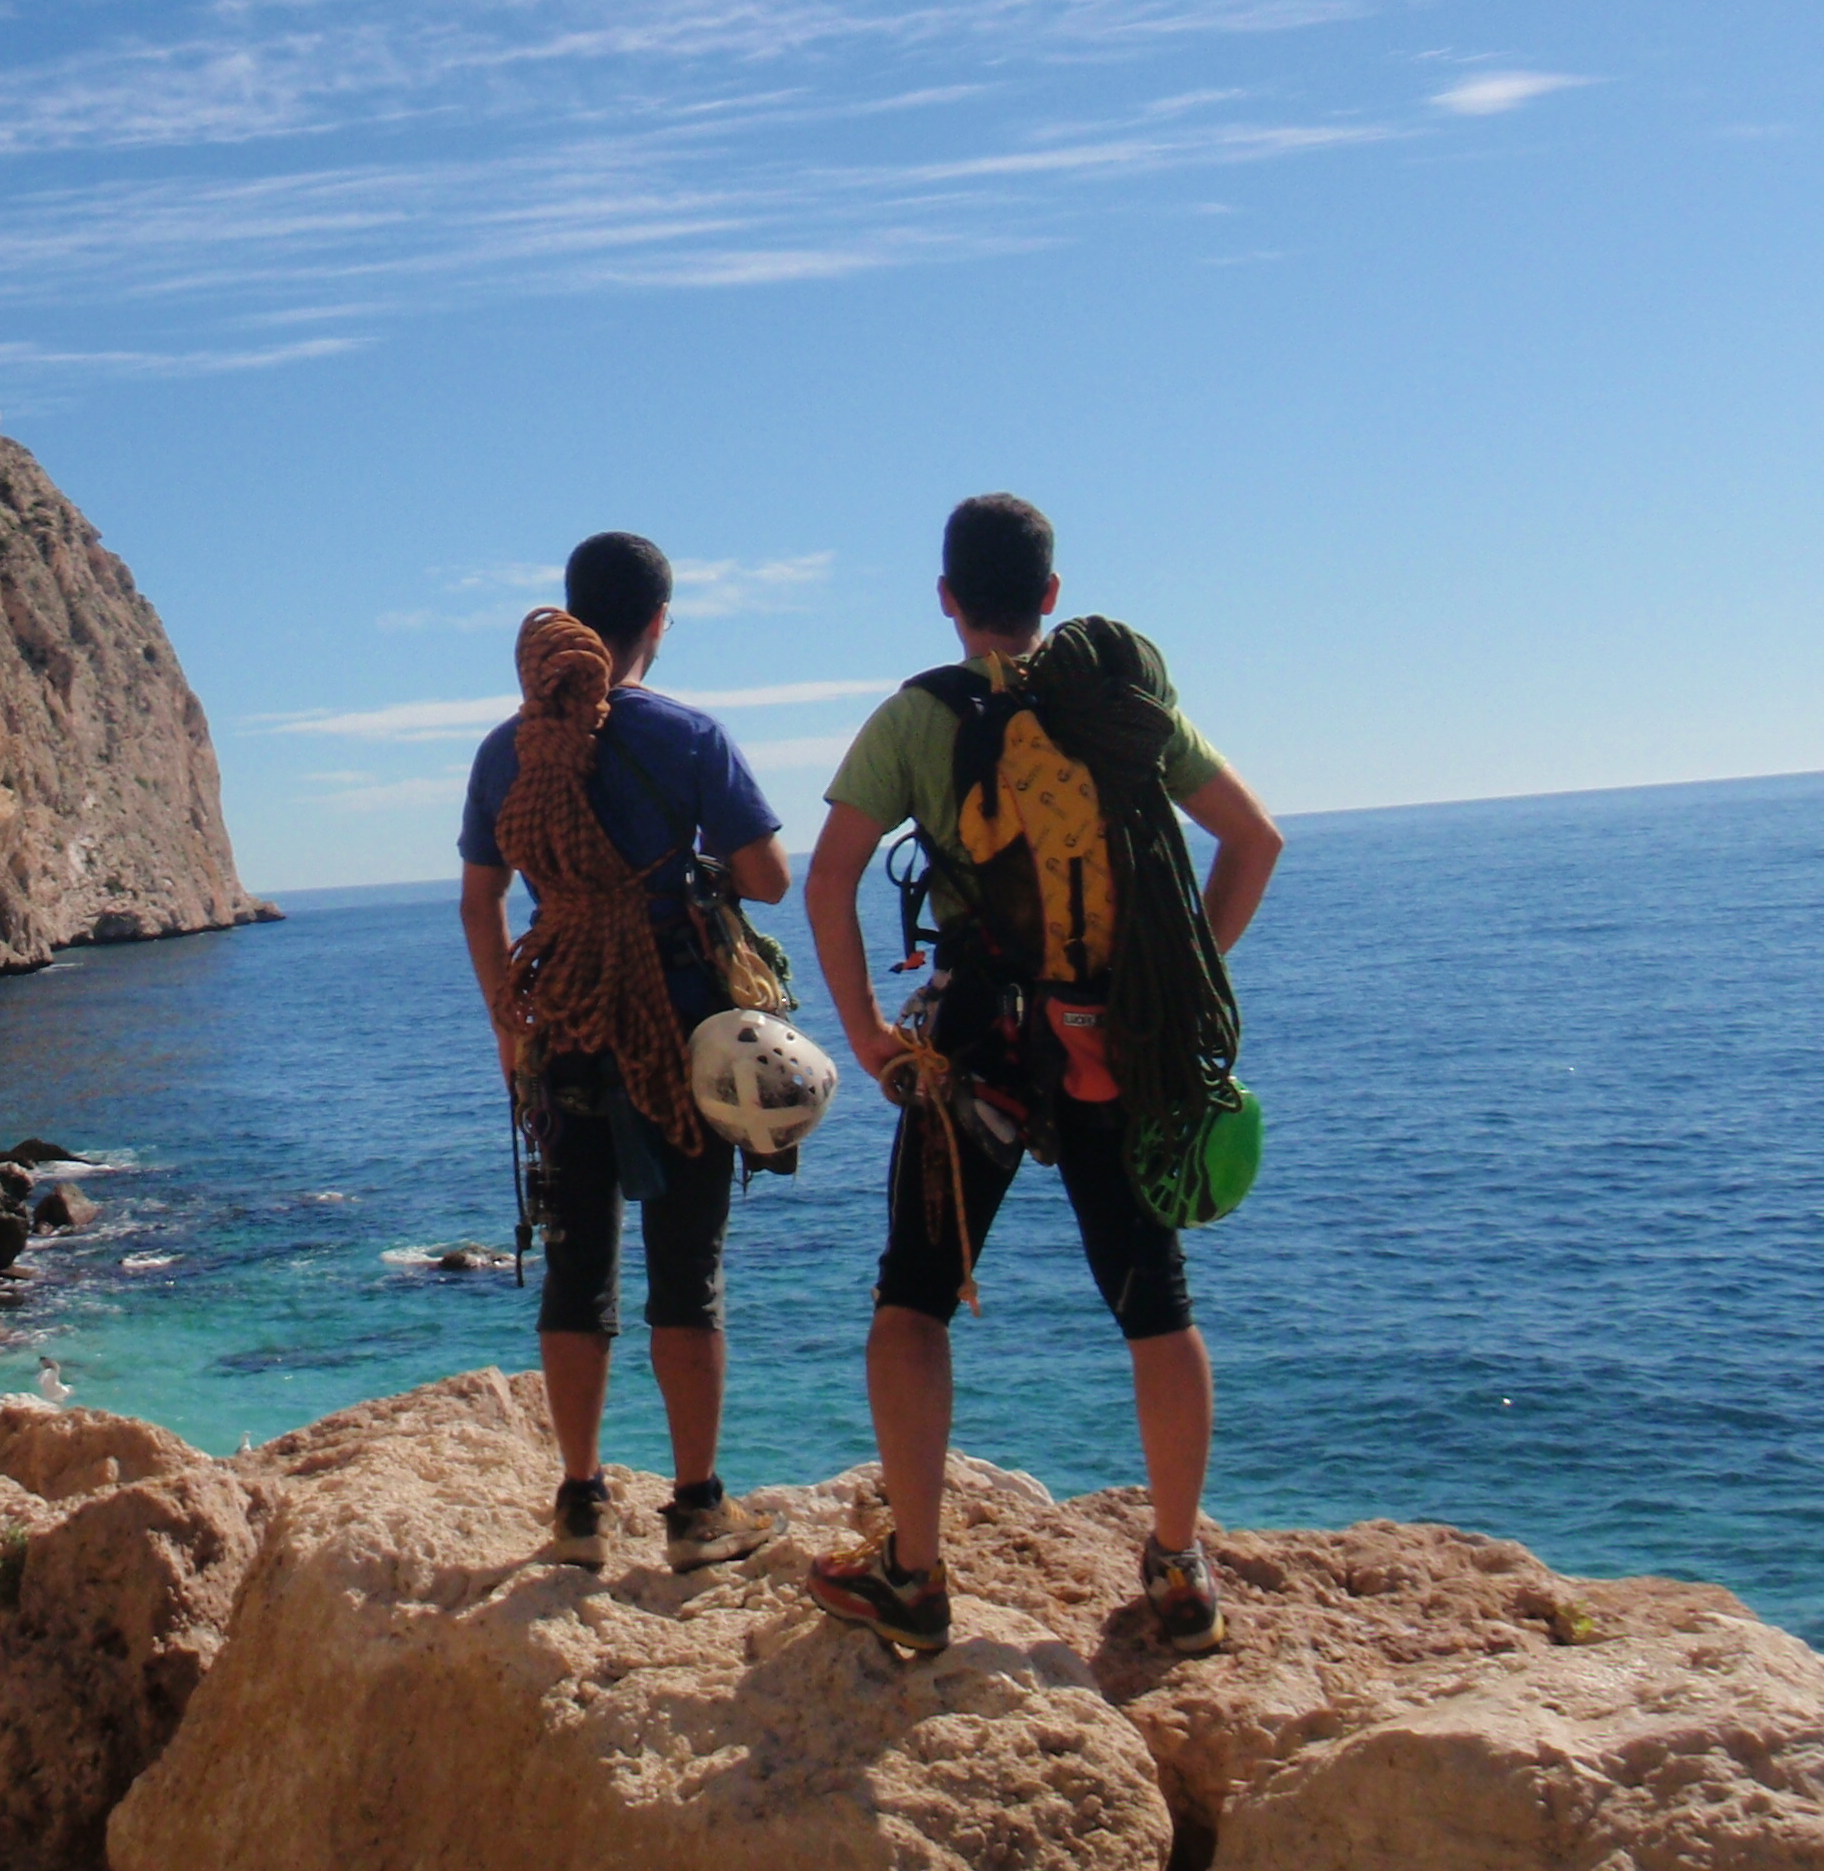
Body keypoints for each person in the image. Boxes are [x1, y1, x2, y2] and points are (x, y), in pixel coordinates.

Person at [800, 494, 1285, 1657]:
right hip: (1111, 1043)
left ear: (949, 599)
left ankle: (914, 1575)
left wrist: (867, 1032)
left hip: (978, 1043)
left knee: (913, 1300)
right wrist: (1169, 985)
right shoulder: (1119, 704)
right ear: (1052, 597)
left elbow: (828, 882)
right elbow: (1255, 840)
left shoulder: (917, 717)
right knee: (1155, 1304)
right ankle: (1179, 1569)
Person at [461, 531, 793, 1569]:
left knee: (576, 1271)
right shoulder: (691, 738)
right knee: (685, 1275)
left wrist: (509, 1028)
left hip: (560, 1027)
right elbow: (772, 877)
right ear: (658, 622)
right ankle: (697, 1511)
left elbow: (480, 901)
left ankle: (578, 1505)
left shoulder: (504, 751)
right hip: (676, 1035)